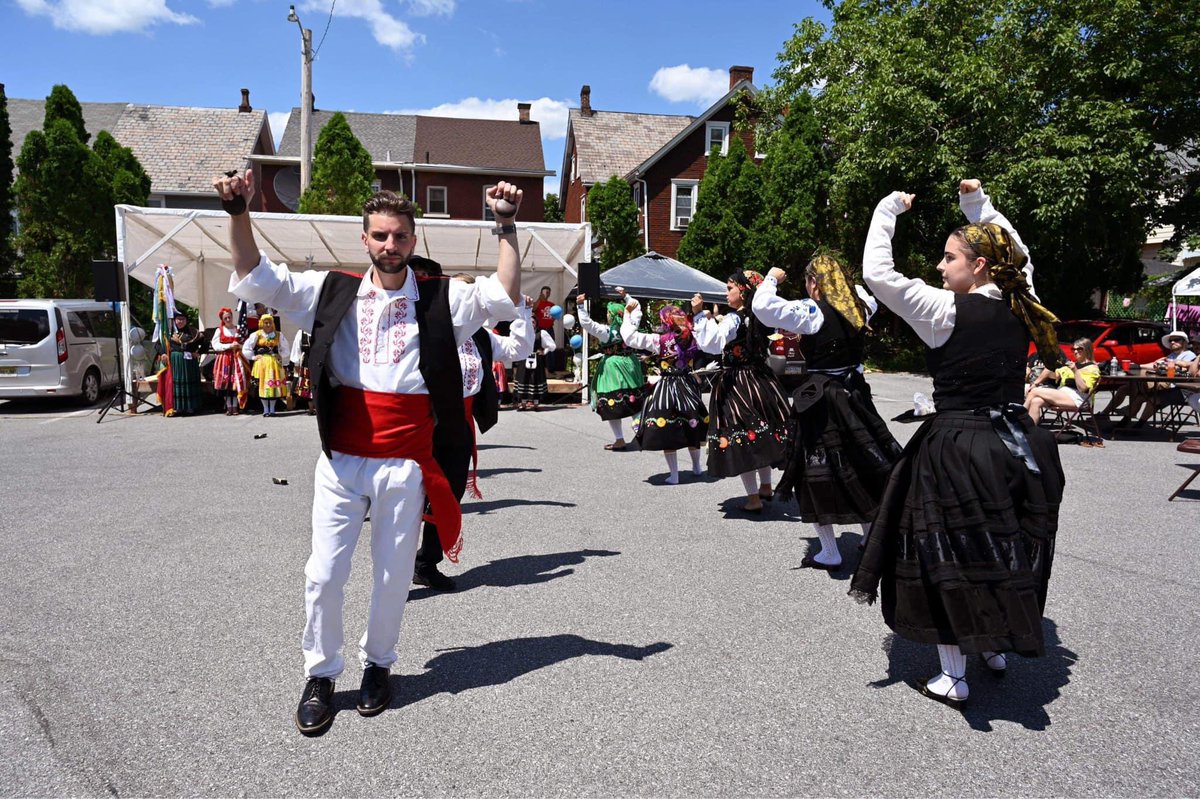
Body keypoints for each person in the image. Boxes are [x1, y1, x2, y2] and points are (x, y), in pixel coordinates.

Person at [213, 170, 522, 736]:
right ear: (365, 240)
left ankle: (379, 664)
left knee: (391, 575)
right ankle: (322, 673)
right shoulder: (329, 291)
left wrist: (505, 225)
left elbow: (502, 294)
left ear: (412, 240)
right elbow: (254, 275)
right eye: (380, 235)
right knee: (324, 573)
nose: (390, 245)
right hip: (342, 461)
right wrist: (238, 211)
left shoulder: (441, 298)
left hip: (405, 462)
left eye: (400, 236)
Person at [850, 179, 1065, 709]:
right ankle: (992, 646)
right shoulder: (1023, 302)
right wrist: (979, 205)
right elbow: (1020, 251)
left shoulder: (945, 311)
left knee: (944, 551)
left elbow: (878, 274)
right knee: (1000, 544)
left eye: (949, 258)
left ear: (981, 267)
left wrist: (888, 208)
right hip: (1016, 443)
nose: (941, 268)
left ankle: (954, 675)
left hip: (957, 447)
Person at [752, 258, 903, 570]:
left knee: (815, 473)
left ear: (814, 283)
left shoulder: (812, 311)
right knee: (862, 463)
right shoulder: (860, 305)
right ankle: (870, 536)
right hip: (855, 395)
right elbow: (864, 293)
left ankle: (830, 551)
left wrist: (771, 278)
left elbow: (763, 307)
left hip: (822, 400)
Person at [409, 263, 534, 592]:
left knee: (447, 496)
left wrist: (521, 309)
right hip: (422, 422)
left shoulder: (480, 335)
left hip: (458, 426)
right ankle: (393, 572)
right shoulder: (422, 328)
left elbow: (519, 349)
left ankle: (425, 563)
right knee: (409, 497)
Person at [691, 271, 791, 514]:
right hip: (761, 381)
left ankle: (754, 498)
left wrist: (697, 315)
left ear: (743, 291)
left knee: (743, 437)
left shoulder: (735, 319)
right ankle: (766, 486)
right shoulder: (759, 318)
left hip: (737, 383)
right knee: (761, 433)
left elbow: (711, 343)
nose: (726, 293)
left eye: (729, 288)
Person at [620, 295, 708, 483]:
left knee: (668, 427)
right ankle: (697, 467)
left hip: (667, 387)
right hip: (688, 385)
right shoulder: (695, 337)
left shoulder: (659, 340)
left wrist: (628, 315)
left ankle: (675, 475)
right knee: (692, 423)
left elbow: (630, 338)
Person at [577, 290, 646, 450]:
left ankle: (620, 439)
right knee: (634, 398)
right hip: (631, 363)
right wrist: (626, 297)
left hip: (613, 367)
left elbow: (587, 324)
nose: (607, 314)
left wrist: (580, 306)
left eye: (609, 312)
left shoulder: (607, 331)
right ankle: (641, 433)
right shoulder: (631, 326)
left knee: (611, 401)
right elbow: (636, 311)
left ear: (614, 315)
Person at [1100, 330, 1197, 427]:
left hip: (1178, 388)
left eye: (1176, 340)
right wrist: (1138, 366)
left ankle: (1134, 422)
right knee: (1132, 391)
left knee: (1147, 396)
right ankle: (1123, 421)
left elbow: (1182, 370)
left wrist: (1167, 365)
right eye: (1171, 340)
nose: (1172, 342)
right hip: (1165, 385)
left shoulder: (1189, 355)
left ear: (1184, 342)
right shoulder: (1171, 356)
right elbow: (1156, 365)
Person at [1024, 338, 1101, 423]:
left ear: (1087, 350)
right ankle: (1030, 431)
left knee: (1034, 391)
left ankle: (1019, 417)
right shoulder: (1073, 364)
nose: (1075, 352)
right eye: (1074, 349)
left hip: (1079, 399)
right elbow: (1054, 375)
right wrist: (1049, 369)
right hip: (1064, 393)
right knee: (1036, 401)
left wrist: (1075, 371)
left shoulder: (1092, 368)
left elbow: (1083, 389)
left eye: (1079, 349)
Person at [242, 313, 290, 417]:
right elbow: (246, 347)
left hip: (274, 364)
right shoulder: (257, 334)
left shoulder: (278, 335)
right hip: (262, 364)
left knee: (272, 386)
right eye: (266, 323)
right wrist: (254, 357)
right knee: (263, 386)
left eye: (270, 322)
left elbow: (286, 348)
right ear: (262, 324)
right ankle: (265, 409)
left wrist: (280, 355)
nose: (268, 325)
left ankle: (272, 409)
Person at [160, 311, 203, 416]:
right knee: (176, 384)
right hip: (175, 362)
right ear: (174, 320)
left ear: (186, 320)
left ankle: (190, 407)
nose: (180, 321)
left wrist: (197, 353)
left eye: (182, 319)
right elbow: (159, 344)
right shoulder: (169, 331)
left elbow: (204, 343)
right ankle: (177, 407)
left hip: (189, 363)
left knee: (188, 383)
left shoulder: (193, 332)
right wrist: (162, 354)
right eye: (178, 319)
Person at [512, 315, 556, 410]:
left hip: (536, 359)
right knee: (524, 378)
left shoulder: (541, 333)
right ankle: (523, 403)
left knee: (535, 379)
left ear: (536, 324)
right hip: (524, 359)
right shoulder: (522, 332)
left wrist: (544, 351)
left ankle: (536, 404)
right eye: (530, 322)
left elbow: (552, 345)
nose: (531, 324)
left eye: (533, 322)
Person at [290, 328, 316, 415]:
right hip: (307, 360)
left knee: (318, 382)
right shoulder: (301, 332)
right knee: (307, 383)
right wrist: (296, 363)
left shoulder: (320, 329)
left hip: (320, 360)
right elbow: (296, 347)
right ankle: (311, 408)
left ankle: (319, 407)